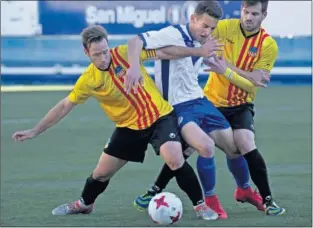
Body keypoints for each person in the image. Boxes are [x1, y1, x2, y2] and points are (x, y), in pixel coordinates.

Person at [11, 25, 221, 220]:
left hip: (160, 117)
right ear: (87, 53)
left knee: (174, 158)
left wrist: (198, 52)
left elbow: (164, 52)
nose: (104, 57)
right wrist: (35, 131)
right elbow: (65, 105)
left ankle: (200, 205)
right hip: (129, 127)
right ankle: (85, 203)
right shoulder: (89, 80)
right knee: (101, 174)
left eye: (105, 51)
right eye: (97, 54)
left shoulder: (124, 54)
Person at [129, 0, 285, 216]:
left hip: (227, 102)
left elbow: (253, 82)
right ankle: (178, 194)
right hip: (200, 101)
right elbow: (149, 43)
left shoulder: (265, 44)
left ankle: (252, 193)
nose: (209, 32)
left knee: (239, 146)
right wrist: (138, 65)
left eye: (255, 13)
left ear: (264, 15)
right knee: (194, 147)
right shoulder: (212, 28)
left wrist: (226, 69)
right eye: (246, 12)